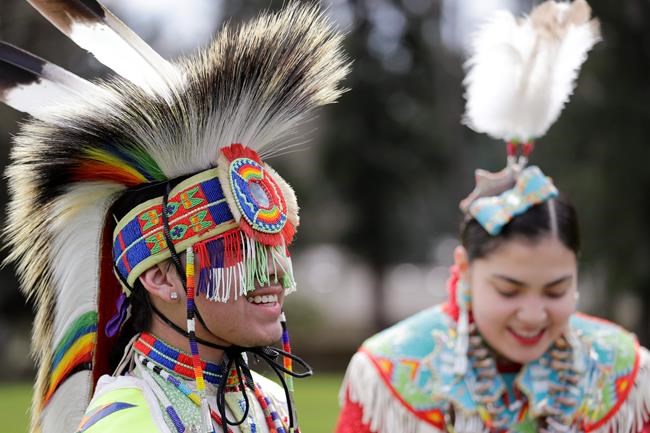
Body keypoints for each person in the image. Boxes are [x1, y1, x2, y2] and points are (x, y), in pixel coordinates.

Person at [0, 2, 349, 433]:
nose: (275, 272)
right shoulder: (126, 423)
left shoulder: (269, 403)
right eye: (239, 249)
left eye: (274, 249)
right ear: (162, 277)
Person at [335, 1, 650, 433]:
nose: (534, 314)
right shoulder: (391, 374)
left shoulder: (622, 369)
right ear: (464, 270)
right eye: (509, 289)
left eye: (557, 289)